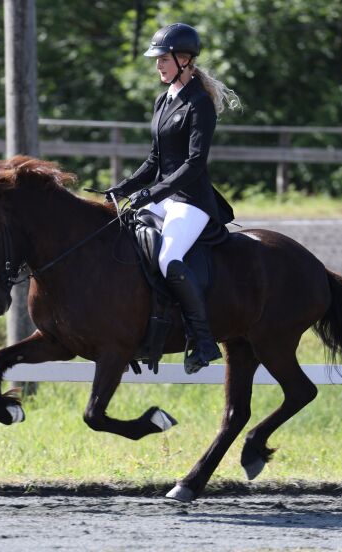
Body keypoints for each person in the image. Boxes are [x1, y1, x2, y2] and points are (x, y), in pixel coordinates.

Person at [108, 22, 242, 372]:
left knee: (168, 258)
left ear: (184, 60)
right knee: (125, 238)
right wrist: (123, 188)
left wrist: (152, 193)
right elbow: (155, 160)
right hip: (164, 195)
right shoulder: (164, 99)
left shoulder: (200, 104)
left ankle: (203, 340)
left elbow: (194, 164)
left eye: (163, 59)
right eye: (157, 60)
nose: (158, 66)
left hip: (191, 201)